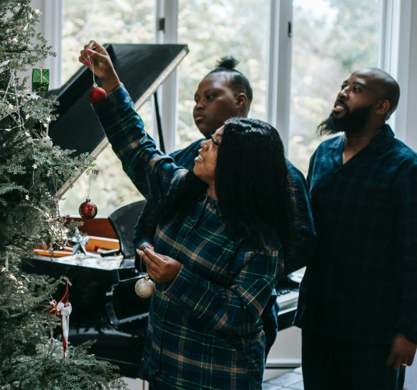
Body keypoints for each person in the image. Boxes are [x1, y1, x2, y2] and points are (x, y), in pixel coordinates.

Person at [80, 41, 296, 389]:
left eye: (217, 144)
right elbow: (136, 144)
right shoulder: (180, 187)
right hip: (165, 368)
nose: (204, 145)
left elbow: (240, 316)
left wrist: (179, 278)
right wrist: (110, 81)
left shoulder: (261, 241)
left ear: (239, 167)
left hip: (217, 378)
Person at [132, 56, 316, 357]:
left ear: (240, 101)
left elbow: (303, 242)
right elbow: (147, 224)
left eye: (210, 96)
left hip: (234, 325)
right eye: (196, 99)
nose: (199, 106)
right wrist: (146, 252)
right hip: (173, 318)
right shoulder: (181, 160)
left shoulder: (278, 174)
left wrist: (232, 275)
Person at [296, 68, 417, 389]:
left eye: (356, 89)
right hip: (319, 319)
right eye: (343, 85)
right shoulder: (323, 154)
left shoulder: (408, 169)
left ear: (381, 107)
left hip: (373, 331)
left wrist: (409, 332)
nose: (343, 92)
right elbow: (306, 232)